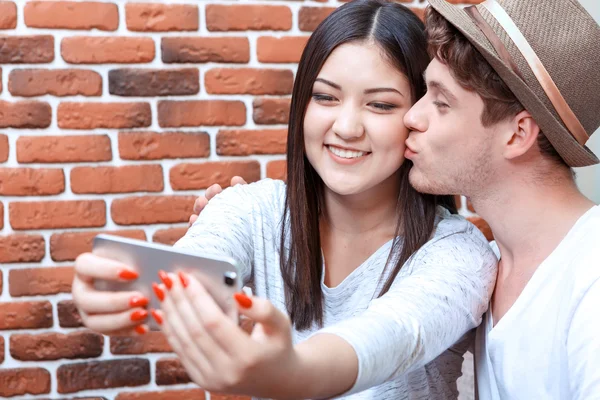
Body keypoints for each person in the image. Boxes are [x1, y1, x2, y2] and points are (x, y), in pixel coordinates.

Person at [71, 1, 497, 398]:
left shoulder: (459, 254)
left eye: (381, 105)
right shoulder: (253, 209)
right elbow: (198, 263)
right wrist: (133, 289)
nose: (346, 127)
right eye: (325, 97)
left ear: (419, 116)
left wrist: (292, 370)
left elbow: (395, 335)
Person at [400, 0, 600, 398]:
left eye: (441, 103)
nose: (412, 117)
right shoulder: (485, 266)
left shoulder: (591, 279)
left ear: (517, 134)